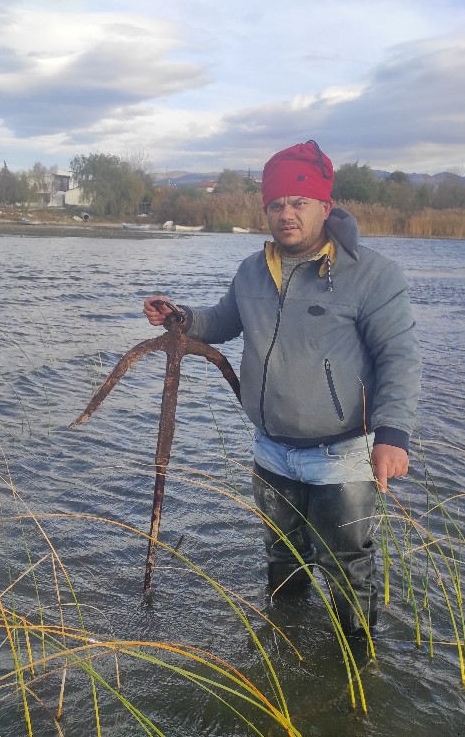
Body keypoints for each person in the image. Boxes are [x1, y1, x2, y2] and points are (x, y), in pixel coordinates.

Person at [143, 140, 421, 638]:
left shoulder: (373, 275)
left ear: (325, 206)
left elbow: (399, 356)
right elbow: (224, 320)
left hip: (341, 454)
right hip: (271, 451)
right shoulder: (254, 269)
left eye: (299, 202)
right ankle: (283, 650)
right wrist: (182, 317)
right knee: (282, 561)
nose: (286, 214)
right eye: (276, 205)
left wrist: (392, 435)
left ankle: (356, 662)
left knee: (347, 569)